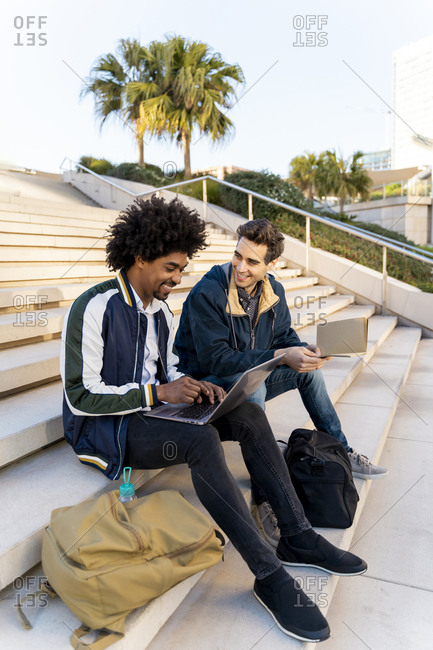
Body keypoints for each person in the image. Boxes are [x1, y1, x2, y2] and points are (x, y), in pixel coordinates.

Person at [61, 196, 367, 644]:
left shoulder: (162, 311)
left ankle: (298, 535)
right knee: (200, 444)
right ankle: (269, 575)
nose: (178, 279)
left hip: (153, 412)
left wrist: (196, 388)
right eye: (170, 268)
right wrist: (157, 392)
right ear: (141, 258)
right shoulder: (94, 307)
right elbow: (80, 396)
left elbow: (168, 373)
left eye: (182, 268)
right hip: (110, 429)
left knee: (245, 413)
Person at [175, 218, 388, 546]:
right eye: (237, 256)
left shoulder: (274, 290)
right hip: (207, 385)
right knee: (255, 386)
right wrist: (279, 354)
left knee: (308, 372)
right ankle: (265, 495)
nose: (240, 267)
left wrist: (306, 351)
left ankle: (340, 452)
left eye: (251, 262)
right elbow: (213, 360)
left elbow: (284, 336)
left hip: (247, 372)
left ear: (271, 264)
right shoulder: (209, 291)